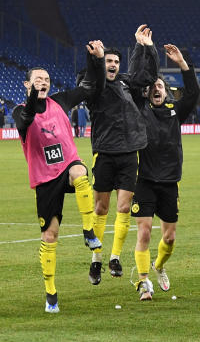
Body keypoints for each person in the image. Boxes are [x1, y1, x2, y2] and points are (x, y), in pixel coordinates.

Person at [14, 41, 104, 312]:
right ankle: (51, 292)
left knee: (79, 171)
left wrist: (95, 60)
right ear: (27, 85)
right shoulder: (20, 111)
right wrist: (34, 97)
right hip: (45, 180)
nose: (44, 82)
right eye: (38, 80)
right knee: (50, 236)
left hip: (66, 169)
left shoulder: (60, 101)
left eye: (47, 79)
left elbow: (90, 87)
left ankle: (89, 231)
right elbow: (27, 116)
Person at [87, 25, 158, 283]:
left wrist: (144, 47)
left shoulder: (127, 84)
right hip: (105, 153)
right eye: (108, 61)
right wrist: (95, 59)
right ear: (101, 63)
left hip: (129, 154)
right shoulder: (94, 85)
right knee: (100, 207)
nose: (113, 64)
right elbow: (93, 79)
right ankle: (96, 258)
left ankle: (115, 256)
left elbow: (147, 75)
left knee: (124, 206)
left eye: (116, 61)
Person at [129, 44, 200, 301]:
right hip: (144, 181)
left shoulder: (174, 112)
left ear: (167, 91)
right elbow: (136, 83)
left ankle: (158, 266)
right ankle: (143, 281)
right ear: (147, 93)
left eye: (161, 86)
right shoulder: (139, 110)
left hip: (170, 182)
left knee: (169, 238)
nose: (156, 89)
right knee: (145, 231)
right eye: (152, 87)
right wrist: (144, 49)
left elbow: (193, 93)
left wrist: (183, 64)